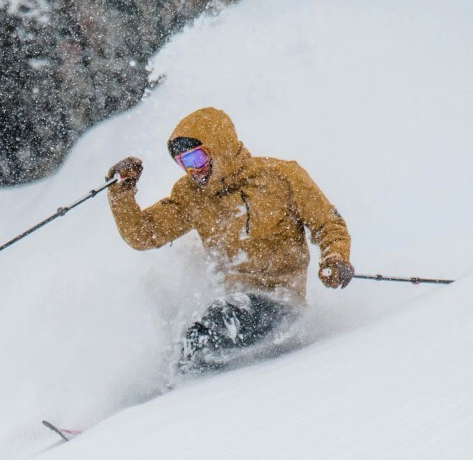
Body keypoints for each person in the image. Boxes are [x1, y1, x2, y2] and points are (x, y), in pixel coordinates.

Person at [106, 107, 353, 373]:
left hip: (282, 304)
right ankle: (167, 390)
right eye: (183, 163)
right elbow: (144, 234)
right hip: (234, 308)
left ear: (219, 147)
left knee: (210, 328)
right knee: (196, 334)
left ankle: (179, 391)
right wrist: (122, 193)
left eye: (197, 158)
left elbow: (328, 223)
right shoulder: (192, 196)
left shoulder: (280, 177)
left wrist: (335, 259)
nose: (194, 171)